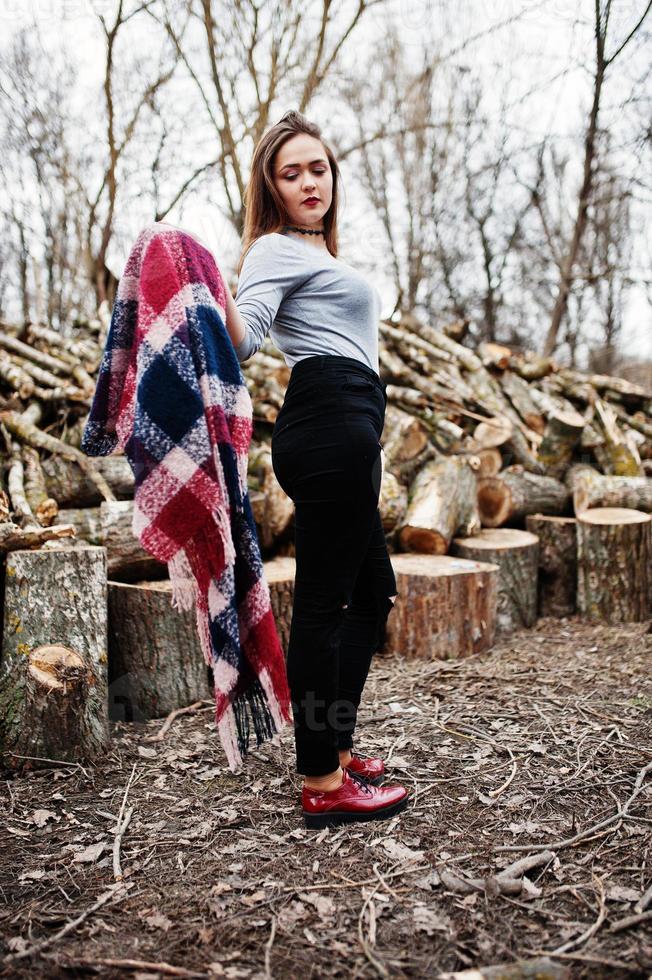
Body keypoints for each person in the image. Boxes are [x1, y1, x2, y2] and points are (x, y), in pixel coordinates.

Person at [219, 110, 409, 828]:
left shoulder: (313, 252)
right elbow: (245, 338)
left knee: (373, 590)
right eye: (291, 171)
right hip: (328, 417)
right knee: (327, 602)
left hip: (347, 417)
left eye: (318, 167)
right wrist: (204, 285)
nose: (308, 181)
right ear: (270, 184)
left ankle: (334, 744)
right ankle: (321, 778)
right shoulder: (272, 249)